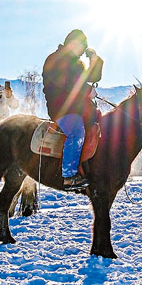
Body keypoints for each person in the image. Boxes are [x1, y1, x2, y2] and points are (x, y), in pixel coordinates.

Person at [42, 29, 104, 190]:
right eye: (82, 47)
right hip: (61, 107)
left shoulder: (77, 63)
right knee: (76, 131)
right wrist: (86, 90)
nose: (83, 51)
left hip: (79, 106)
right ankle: (69, 176)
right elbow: (65, 82)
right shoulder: (55, 59)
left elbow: (93, 77)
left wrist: (94, 60)